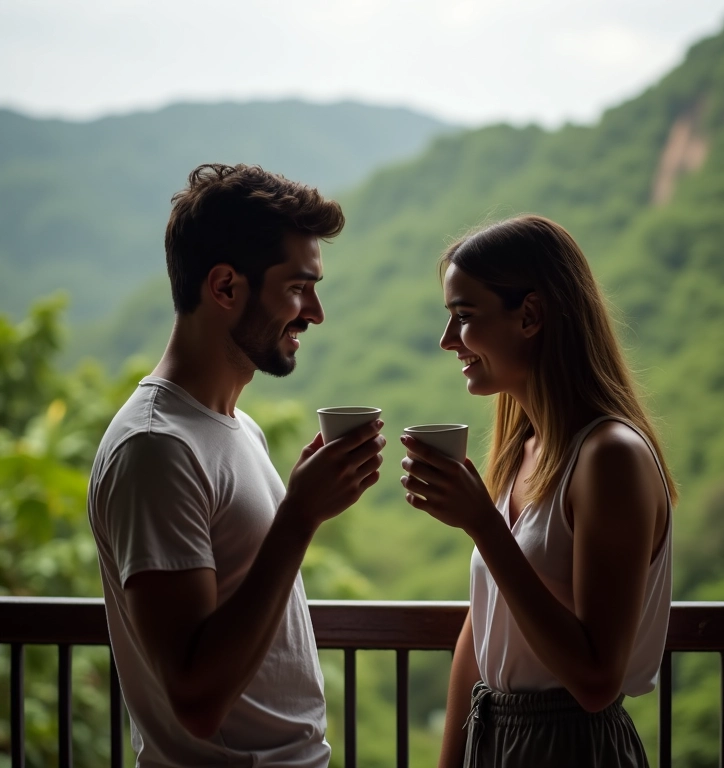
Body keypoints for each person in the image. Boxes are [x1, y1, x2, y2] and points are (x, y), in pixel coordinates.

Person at [88, 163, 385, 767]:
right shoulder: (156, 448)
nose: (316, 313)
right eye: (299, 287)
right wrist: (299, 517)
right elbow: (196, 699)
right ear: (225, 287)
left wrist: (304, 508)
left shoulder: (234, 427)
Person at [399, 214, 675, 768]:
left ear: (530, 315)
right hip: (494, 736)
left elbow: (596, 681)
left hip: (569, 747)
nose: (447, 340)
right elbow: (480, 630)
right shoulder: (523, 448)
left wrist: (482, 525)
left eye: (464, 317)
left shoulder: (609, 456)